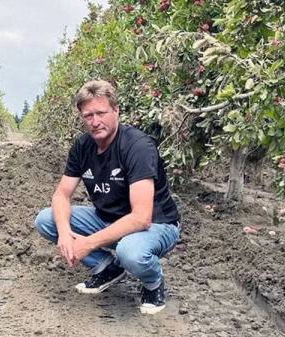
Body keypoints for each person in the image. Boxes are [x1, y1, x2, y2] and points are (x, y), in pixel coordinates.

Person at [34, 80, 181, 315]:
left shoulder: (137, 147)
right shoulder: (82, 146)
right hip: (108, 219)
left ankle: (153, 283)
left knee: (130, 252)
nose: (95, 121)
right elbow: (61, 195)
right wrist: (63, 232)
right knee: (46, 220)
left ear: (116, 111)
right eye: (88, 115)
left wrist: (88, 243)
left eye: (101, 113)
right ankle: (106, 267)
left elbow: (141, 218)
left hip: (156, 225)